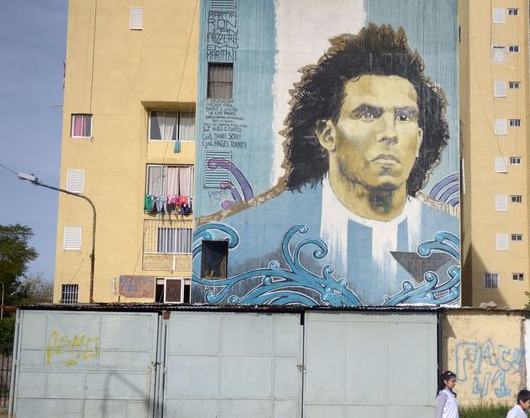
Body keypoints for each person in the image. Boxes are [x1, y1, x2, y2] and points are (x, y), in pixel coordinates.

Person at [194, 24, 459, 306]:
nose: (389, 133)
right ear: (326, 134)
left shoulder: (448, 242)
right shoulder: (242, 239)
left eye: (404, 117)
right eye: (368, 114)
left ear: (418, 139)